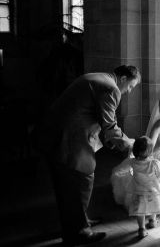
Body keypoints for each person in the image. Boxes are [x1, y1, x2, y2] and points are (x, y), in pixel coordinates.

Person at [33, 65, 140, 245]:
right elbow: (109, 126)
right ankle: (78, 232)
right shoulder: (111, 88)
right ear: (123, 79)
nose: (129, 91)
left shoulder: (98, 77)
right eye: (130, 86)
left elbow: (92, 115)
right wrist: (130, 144)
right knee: (81, 180)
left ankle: (78, 222)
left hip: (57, 135)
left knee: (67, 185)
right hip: (69, 140)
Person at [127, 137, 160, 239]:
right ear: (150, 151)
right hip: (153, 190)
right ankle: (152, 221)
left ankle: (141, 229)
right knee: (153, 205)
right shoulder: (155, 163)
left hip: (138, 191)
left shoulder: (132, 162)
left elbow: (129, 170)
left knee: (140, 210)